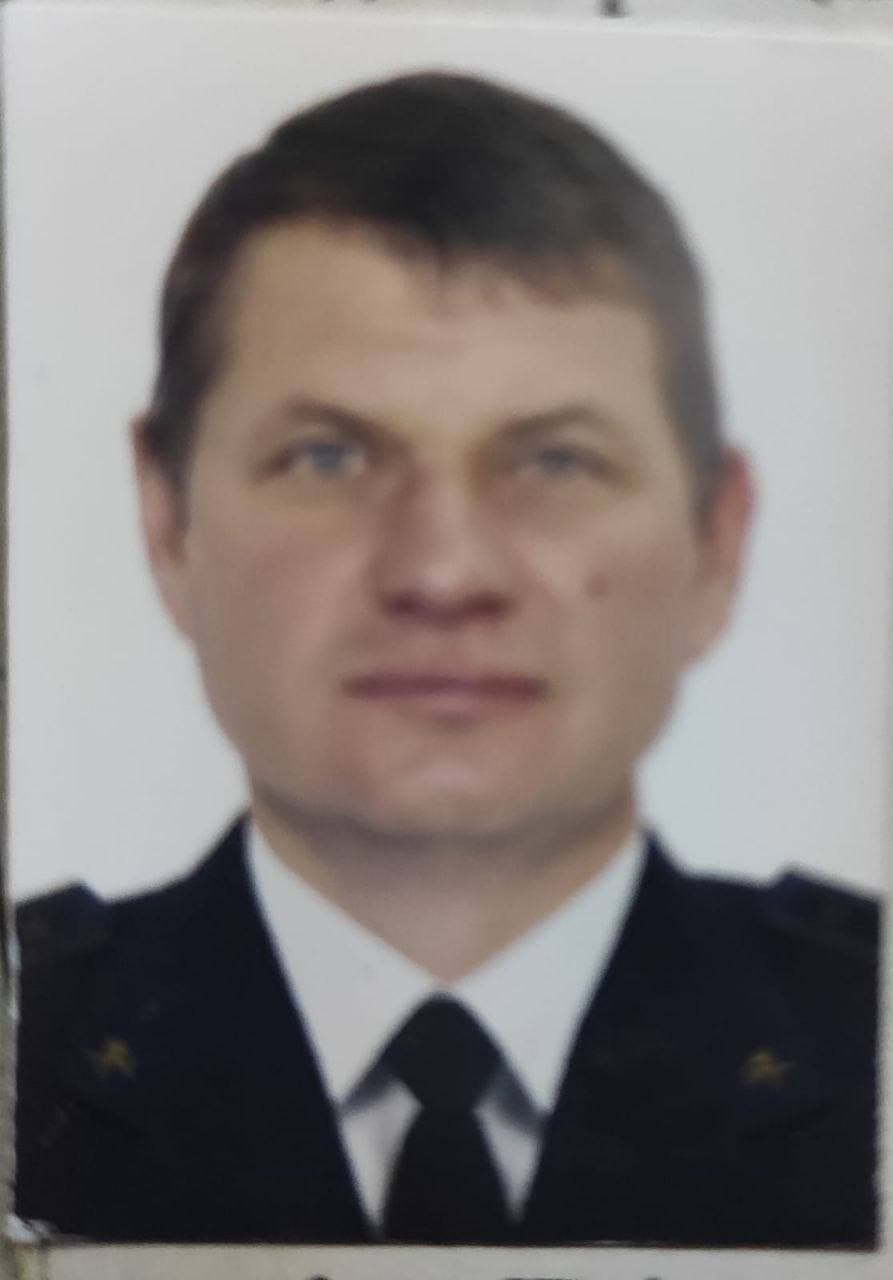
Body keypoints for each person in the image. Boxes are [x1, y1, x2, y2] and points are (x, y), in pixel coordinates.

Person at [15, 70, 878, 1248]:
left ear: (714, 541)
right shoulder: (31, 1036)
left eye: (555, 461)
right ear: (167, 523)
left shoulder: (864, 1031)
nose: (442, 570)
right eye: (327, 456)